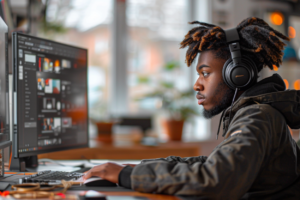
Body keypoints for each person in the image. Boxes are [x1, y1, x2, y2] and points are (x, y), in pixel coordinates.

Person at [83, 17, 300, 199]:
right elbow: (214, 164)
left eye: (205, 73)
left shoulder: (257, 117)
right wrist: (138, 170)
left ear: (237, 75)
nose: (197, 84)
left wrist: (128, 176)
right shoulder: (257, 113)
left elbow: (215, 180)